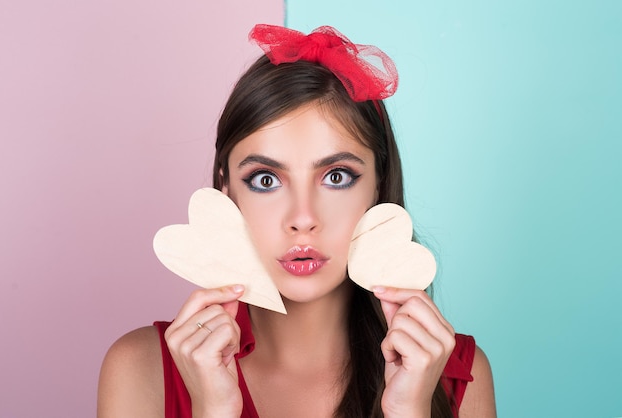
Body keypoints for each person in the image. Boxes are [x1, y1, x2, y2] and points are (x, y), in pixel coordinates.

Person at [97, 24, 496, 418]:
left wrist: (410, 411)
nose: (302, 219)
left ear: (378, 186)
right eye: (265, 180)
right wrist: (212, 410)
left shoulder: (455, 374)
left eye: (336, 177)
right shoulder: (139, 370)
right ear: (226, 192)